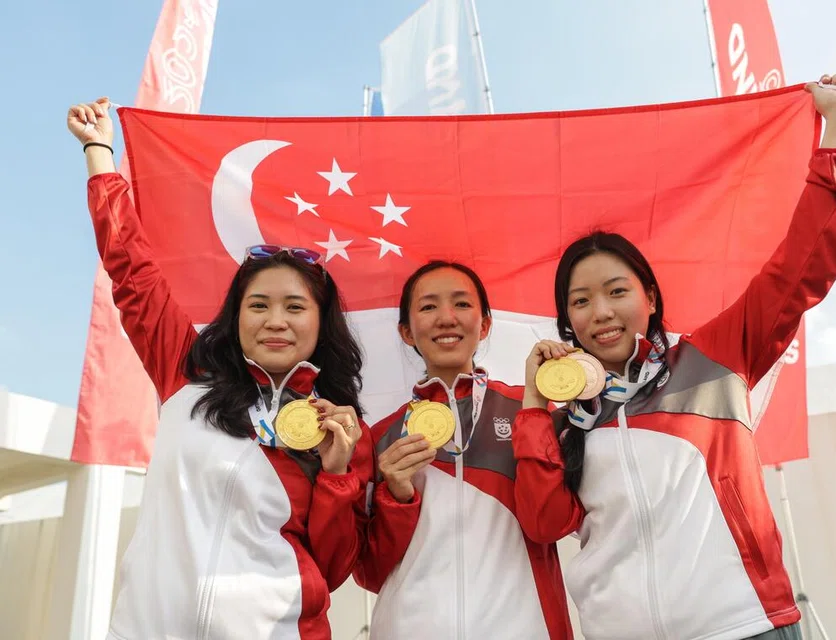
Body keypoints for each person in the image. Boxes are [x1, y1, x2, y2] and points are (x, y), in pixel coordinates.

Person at [512, 73, 836, 640]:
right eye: (580, 301)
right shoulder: (564, 421)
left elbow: (802, 263)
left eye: (617, 291)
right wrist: (535, 405)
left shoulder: (714, 357)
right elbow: (543, 522)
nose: (600, 311)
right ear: (567, 321)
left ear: (650, 299)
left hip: (744, 624)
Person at [67, 98, 371, 640]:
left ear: (320, 323)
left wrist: (337, 474)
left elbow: (333, 566)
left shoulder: (341, 428)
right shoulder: (184, 373)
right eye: (259, 305)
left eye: (295, 307)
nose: (275, 321)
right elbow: (132, 271)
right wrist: (99, 153)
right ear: (236, 316)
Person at [353, 261, 574, 639]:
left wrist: (539, 410)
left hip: (524, 629)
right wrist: (397, 498)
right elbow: (369, 574)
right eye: (428, 307)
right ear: (406, 331)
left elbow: (554, 524)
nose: (446, 318)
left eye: (462, 304)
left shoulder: (531, 411)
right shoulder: (380, 437)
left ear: (484, 324)